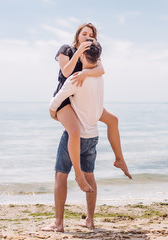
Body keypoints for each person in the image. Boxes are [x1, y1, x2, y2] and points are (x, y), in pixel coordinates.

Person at [52, 23, 131, 194]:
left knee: (113, 120)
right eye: (84, 33)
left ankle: (119, 159)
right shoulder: (66, 50)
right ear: (77, 35)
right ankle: (78, 176)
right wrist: (79, 51)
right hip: (65, 100)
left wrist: (86, 73)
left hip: (82, 99)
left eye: (91, 35)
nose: (88, 37)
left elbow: (101, 70)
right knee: (74, 132)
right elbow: (66, 73)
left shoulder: (92, 52)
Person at [43, 39, 104, 232]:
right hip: (93, 135)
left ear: (83, 55)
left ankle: (59, 223)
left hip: (76, 137)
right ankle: (90, 221)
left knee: (60, 175)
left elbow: (55, 101)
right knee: (91, 176)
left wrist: (54, 114)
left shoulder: (77, 78)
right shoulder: (99, 77)